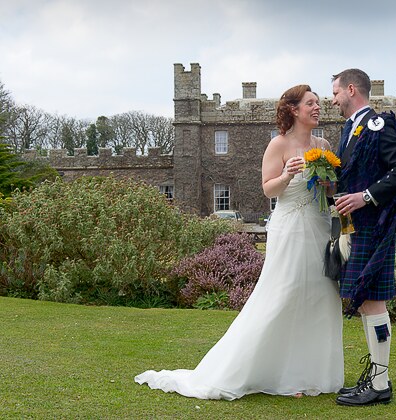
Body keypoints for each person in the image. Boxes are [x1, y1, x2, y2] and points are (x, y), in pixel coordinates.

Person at [134, 84, 344, 400]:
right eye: (311, 103)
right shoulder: (278, 145)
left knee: (319, 295)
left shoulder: (324, 144)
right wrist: (287, 175)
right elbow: (269, 189)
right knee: (283, 294)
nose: (318, 107)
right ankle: (254, 369)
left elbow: (327, 192)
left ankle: (306, 374)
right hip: (290, 228)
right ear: (294, 110)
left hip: (318, 225)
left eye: (318, 103)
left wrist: (329, 184)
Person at [331, 69, 396, 406]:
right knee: (368, 302)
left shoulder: (379, 126)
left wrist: (365, 196)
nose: (333, 99)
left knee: (374, 301)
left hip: (375, 226)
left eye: (336, 92)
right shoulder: (351, 129)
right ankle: (376, 378)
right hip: (358, 226)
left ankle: (380, 383)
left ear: (351, 90)